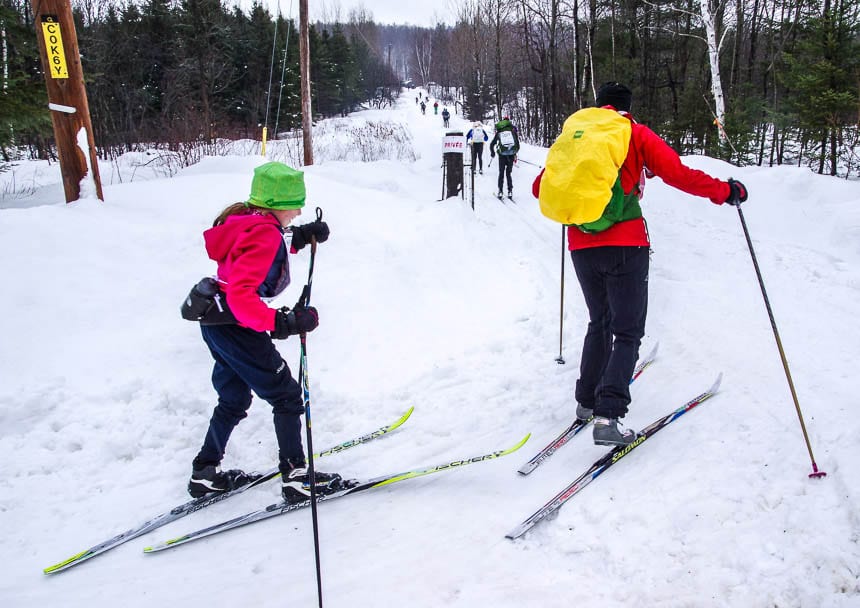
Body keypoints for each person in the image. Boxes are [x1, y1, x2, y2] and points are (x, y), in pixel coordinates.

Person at [532, 82, 748, 446]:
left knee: (599, 321)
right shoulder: (633, 133)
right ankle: (609, 414)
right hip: (626, 244)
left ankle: (586, 402)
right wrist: (726, 192)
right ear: (627, 107)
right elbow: (679, 174)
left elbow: (541, 187)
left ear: (599, 106)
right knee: (628, 331)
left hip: (581, 245)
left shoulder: (577, 135)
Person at [184, 161, 346, 503]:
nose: (299, 209)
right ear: (277, 204)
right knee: (286, 395)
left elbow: (254, 254)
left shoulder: (244, 222)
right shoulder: (264, 233)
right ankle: (297, 477)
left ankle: (205, 474)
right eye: (295, 203)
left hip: (216, 323)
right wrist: (283, 323)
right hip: (237, 326)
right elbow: (243, 294)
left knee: (234, 398)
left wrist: (298, 237)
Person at [489, 116, 520, 198]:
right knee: (508, 173)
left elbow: (492, 144)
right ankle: (510, 191)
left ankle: (500, 191)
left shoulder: (499, 133)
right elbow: (517, 144)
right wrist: (514, 153)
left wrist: (493, 153)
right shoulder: (512, 131)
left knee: (501, 173)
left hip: (502, 155)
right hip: (511, 155)